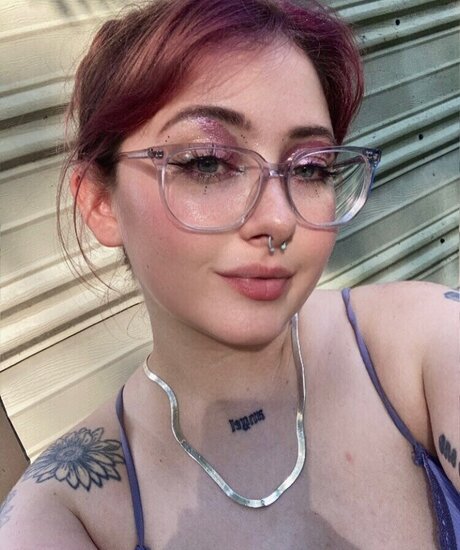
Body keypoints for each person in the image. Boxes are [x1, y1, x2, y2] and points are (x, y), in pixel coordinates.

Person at [1, 0, 458, 548]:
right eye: (207, 162)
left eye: (311, 168)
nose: (280, 220)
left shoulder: (420, 343)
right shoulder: (67, 510)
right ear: (101, 203)